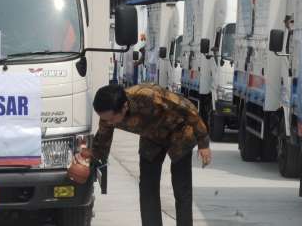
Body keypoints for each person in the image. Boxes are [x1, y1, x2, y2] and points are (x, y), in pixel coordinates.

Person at [91, 84, 212, 226]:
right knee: (147, 189)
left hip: (178, 131)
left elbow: (188, 108)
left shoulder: (148, 96)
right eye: (105, 119)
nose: (109, 122)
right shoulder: (108, 116)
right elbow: (102, 142)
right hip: (151, 137)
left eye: (111, 118)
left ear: (124, 106)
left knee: (181, 189)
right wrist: (93, 163)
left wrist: (203, 142)